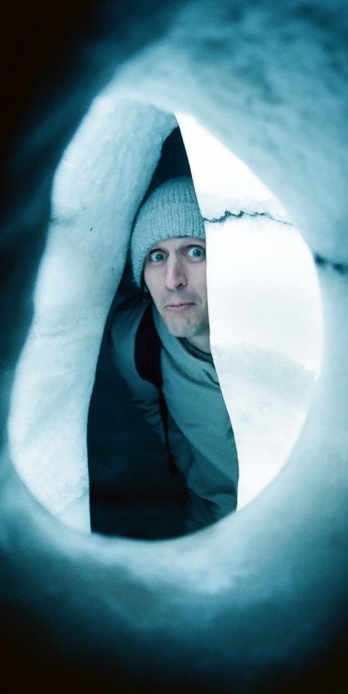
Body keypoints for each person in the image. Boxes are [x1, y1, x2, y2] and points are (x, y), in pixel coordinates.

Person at [110, 177, 238, 532]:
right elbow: (154, 409)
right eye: (157, 256)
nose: (173, 279)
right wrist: (198, 476)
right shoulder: (135, 340)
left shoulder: (294, 333)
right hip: (211, 515)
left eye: (195, 252)